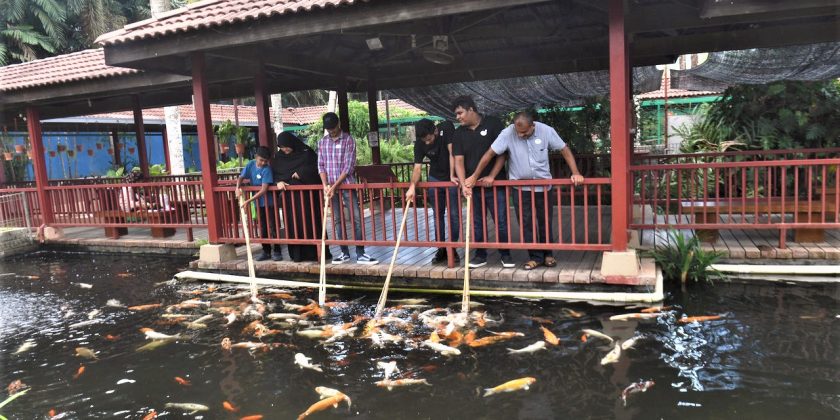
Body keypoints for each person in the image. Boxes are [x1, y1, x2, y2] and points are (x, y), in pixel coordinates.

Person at [464, 111, 585, 270]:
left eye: (525, 132)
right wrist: (475, 176)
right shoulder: (508, 133)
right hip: (520, 188)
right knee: (526, 223)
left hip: (543, 186)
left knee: (545, 221)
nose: (520, 135)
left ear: (533, 126)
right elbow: (490, 154)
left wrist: (575, 172)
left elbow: (564, 150)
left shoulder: (546, 130)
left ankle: (548, 254)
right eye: (518, 132)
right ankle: (535, 257)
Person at [451, 96, 512, 269]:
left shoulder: (493, 123)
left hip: (495, 184)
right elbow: (458, 161)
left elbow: (502, 154)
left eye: (460, 113)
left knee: (501, 220)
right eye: (456, 114)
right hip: (474, 186)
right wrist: (464, 184)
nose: (458, 117)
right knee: (477, 222)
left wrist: (492, 176)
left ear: (471, 109)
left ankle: (506, 253)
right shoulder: (459, 133)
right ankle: (480, 255)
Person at [317, 112, 378, 265]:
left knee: (356, 218)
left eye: (333, 128)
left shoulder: (348, 140)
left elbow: (348, 167)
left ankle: (360, 253)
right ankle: (344, 253)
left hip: (347, 186)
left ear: (338, 124)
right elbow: (321, 165)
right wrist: (325, 186)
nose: (331, 131)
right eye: (328, 129)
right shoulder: (322, 142)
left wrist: (334, 186)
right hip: (330, 189)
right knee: (337, 220)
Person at [405, 119, 460, 264]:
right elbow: (417, 168)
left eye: (429, 139)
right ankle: (441, 248)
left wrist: (452, 175)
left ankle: (453, 248)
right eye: (424, 140)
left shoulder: (446, 128)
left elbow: (452, 153)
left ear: (435, 131)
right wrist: (412, 187)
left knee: (454, 215)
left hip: (451, 179)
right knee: (437, 215)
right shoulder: (419, 143)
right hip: (435, 178)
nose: (427, 143)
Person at [271, 132, 332, 263]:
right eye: (281, 147)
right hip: (290, 201)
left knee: (311, 224)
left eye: (286, 146)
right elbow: (275, 174)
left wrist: (302, 173)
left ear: (292, 143)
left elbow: (318, 168)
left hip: (308, 200)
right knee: (294, 225)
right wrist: (278, 182)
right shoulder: (279, 158)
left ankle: (317, 253)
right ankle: (297, 255)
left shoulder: (306, 154)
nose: (284, 149)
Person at [236, 146, 281, 261]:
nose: (263, 163)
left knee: (273, 227)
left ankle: (277, 251)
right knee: (262, 227)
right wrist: (237, 188)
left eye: (265, 161)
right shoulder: (250, 164)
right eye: (261, 160)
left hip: (270, 203)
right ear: (256, 157)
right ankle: (266, 251)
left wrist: (248, 201)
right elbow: (241, 177)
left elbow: (264, 189)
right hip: (258, 203)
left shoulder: (267, 169)